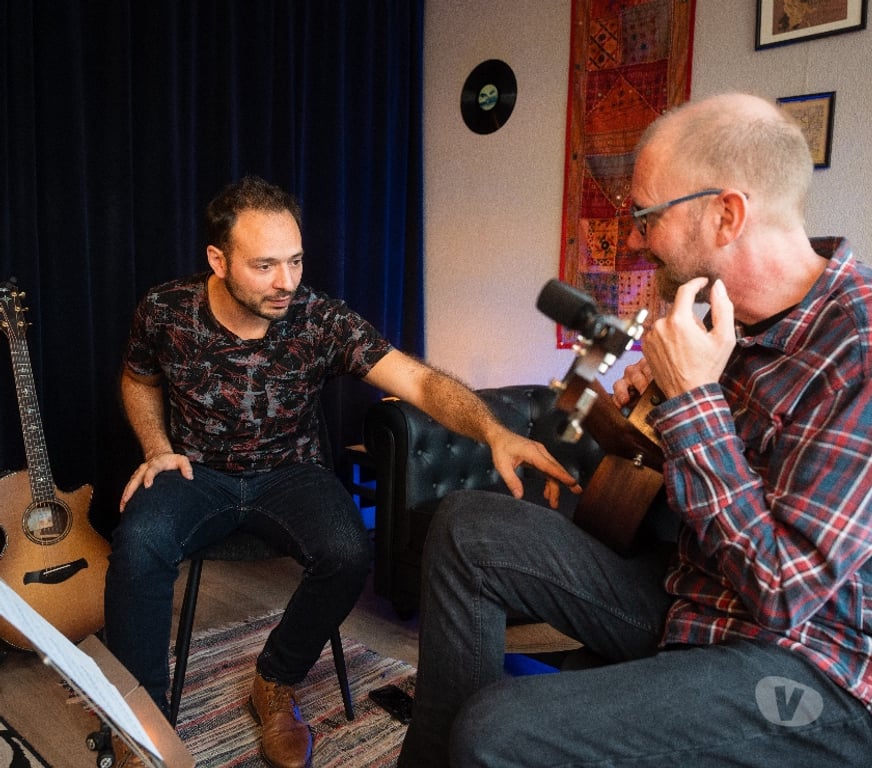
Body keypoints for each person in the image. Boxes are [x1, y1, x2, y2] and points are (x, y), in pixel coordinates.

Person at [397, 92, 872, 768]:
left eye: (647, 214)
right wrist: (640, 425)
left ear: (726, 214)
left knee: (497, 730)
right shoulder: (716, 319)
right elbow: (689, 485)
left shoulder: (858, 347)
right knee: (467, 528)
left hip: (803, 670)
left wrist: (693, 400)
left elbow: (785, 593)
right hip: (691, 598)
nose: (633, 238)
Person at [103, 175, 581, 768]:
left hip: (291, 474)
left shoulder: (318, 320)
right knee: (138, 540)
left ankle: (275, 681)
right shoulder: (165, 309)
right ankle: (137, 725)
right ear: (217, 260)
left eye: (296, 261)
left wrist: (494, 431)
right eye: (265, 266)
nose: (287, 282)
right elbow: (139, 378)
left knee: (351, 552)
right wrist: (155, 445)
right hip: (197, 472)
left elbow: (419, 380)